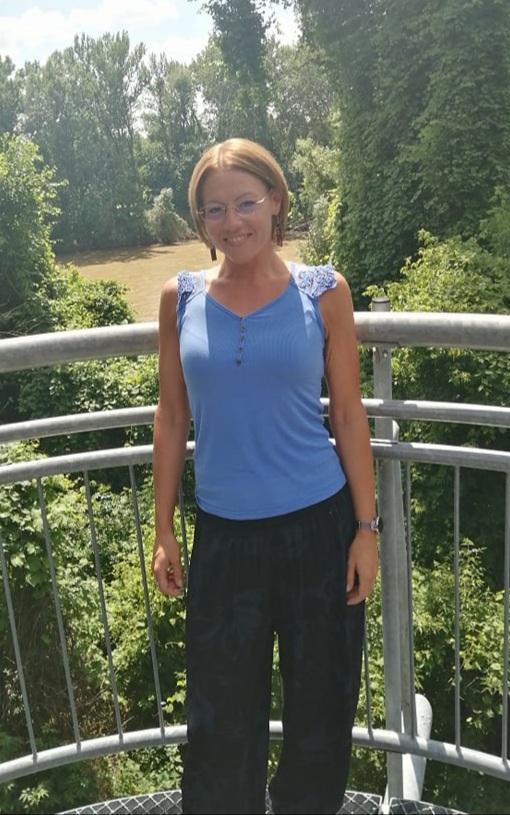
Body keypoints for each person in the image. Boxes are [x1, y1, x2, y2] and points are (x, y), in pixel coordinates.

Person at [151, 137, 380, 815]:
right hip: (224, 540)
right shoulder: (179, 298)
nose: (233, 222)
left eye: (246, 202)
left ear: (276, 201)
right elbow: (171, 416)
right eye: (215, 209)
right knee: (219, 720)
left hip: (319, 530)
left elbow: (349, 414)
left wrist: (365, 530)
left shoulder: (324, 292)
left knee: (321, 710)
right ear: (200, 220)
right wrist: (163, 528)